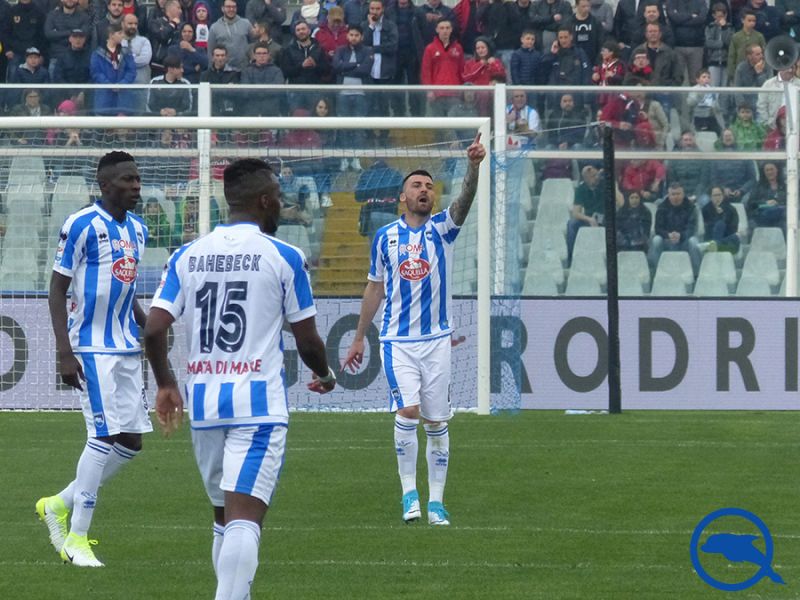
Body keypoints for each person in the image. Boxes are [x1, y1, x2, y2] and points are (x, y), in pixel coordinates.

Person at [144, 158, 335, 599]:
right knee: (245, 518)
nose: (282, 207)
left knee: (224, 518)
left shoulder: (187, 255)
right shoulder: (285, 256)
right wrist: (324, 374)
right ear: (264, 200)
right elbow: (307, 340)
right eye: (279, 199)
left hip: (205, 405)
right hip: (258, 407)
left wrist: (167, 383)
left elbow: (154, 328)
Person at [344, 133, 486, 526]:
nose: (424, 190)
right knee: (408, 411)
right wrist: (359, 337)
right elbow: (375, 286)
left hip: (437, 341)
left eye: (429, 186)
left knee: (436, 421)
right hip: (397, 343)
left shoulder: (443, 229)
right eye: (416, 186)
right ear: (402, 198)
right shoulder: (385, 237)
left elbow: (465, 201)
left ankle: (436, 501)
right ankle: (410, 494)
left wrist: (472, 166)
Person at [36, 151, 151, 568]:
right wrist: (64, 352)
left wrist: (148, 323)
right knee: (102, 436)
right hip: (90, 347)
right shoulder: (81, 224)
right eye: (127, 180)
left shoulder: (138, 229)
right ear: (105, 185)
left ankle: (57, 504)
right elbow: (56, 289)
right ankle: (77, 539)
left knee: (131, 442)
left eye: (138, 179)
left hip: (125, 347)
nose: (136, 186)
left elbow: (127, 287)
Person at [648, 181, 701, 272]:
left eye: (678, 194)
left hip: (684, 241)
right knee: (656, 240)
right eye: (673, 194)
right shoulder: (662, 207)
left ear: (683, 194)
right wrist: (668, 235)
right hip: (667, 240)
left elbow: (691, 228)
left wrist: (680, 235)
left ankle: (696, 273)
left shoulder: (691, 207)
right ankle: (656, 272)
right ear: (668, 195)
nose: (676, 197)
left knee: (693, 241)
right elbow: (658, 229)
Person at [701, 186, 741, 254]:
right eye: (714, 195)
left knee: (735, 238)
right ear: (710, 197)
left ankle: (715, 245)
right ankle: (715, 245)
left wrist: (723, 215)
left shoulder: (731, 209)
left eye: (719, 195)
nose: (717, 198)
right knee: (719, 224)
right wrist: (718, 216)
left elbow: (733, 229)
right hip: (710, 239)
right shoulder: (705, 210)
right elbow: (707, 229)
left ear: (723, 196)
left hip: (727, 242)